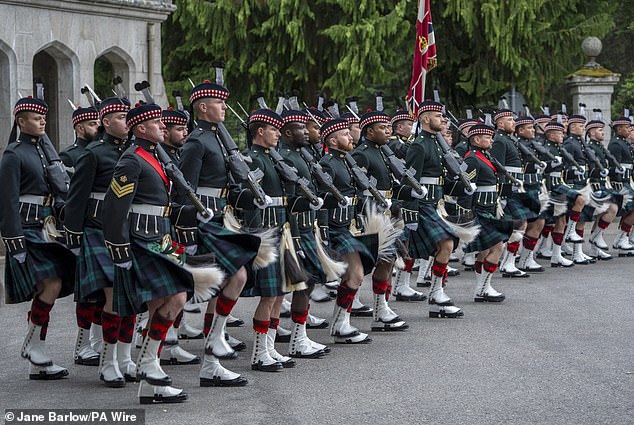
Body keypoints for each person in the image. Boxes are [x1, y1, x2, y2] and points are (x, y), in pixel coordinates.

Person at [102, 102, 200, 403]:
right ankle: (147, 363)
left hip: (162, 235)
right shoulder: (132, 160)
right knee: (178, 295)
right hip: (143, 237)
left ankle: (150, 385)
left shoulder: (156, 155)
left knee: (169, 300)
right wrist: (119, 249)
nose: (162, 126)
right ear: (141, 128)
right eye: (157, 122)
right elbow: (113, 209)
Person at [178, 80, 264, 386]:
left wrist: (248, 197)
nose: (224, 107)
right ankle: (210, 343)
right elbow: (184, 190)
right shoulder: (196, 142)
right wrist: (187, 234)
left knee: (225, 282)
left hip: (220, 217)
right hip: (203, 222)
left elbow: (224, 188)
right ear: (203, 107)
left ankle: (211, 358)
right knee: (235, 277)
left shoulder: (220, 140)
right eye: (219, 103)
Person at [64, 97, 137, 387]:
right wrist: (74, 236)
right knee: (113, 297)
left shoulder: (136, 153)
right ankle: (108, 362)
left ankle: (126, 358)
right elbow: (76, 198)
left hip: (131, 230)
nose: (127, 121)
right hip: (98, 231)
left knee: (132, 299)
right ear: (106, 122)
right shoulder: (93, 154)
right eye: (121, 117)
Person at [0, 96, 76, 380]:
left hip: (47, 227)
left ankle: (37, 358)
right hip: (26, 227)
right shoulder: (14, 153)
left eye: (44, 116)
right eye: (35, 117)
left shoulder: (45, 152)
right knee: (51, 283)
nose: (42, 120)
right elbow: (6, 200)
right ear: (21, 122)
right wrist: (13, 238)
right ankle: (33, 345)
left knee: (49, 285)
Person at [319, 118, 378, 343]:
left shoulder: (346, 161)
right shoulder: (327, 164)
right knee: (355, 274)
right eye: (345, 134)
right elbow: (322, 201)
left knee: (355, 275)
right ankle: (340, 324)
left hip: (348, 226)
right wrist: (324, 233)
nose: (351, 137)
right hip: (335, 228)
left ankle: (340, 323)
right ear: (333, 140)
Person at [405, 100, 464, 318]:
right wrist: (410, 213)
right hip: (422, 206)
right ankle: (435, 292)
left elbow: (439, 179)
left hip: (435, 204)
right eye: (438, 116)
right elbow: (410, 180)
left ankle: (437, 293)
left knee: (446, 244)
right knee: (447, 243)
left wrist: (462, 188)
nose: (442, 120)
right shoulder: (420, 145)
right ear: (425, 119)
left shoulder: (436, 143)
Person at [462, 123, 513, 302]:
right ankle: (483, 288)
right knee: (498, 246)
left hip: (491, 208)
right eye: (487, 137)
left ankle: (482, 288)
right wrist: (467, 213)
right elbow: (466, 187)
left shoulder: (484, 156)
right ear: (476, 139)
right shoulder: (472, 159)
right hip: (480, 210)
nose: (492, 140)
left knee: (485, 251)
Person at [608, 115, 634, 255]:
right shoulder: (616, 144)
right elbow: (614, 165)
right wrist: (617, 183)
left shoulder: (624, 143)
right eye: (626, 127)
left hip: (627, 180)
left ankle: (622, 238)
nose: (629, 129)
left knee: (629, 211)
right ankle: (621, 238)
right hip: (620, 182)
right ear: (618, 129)